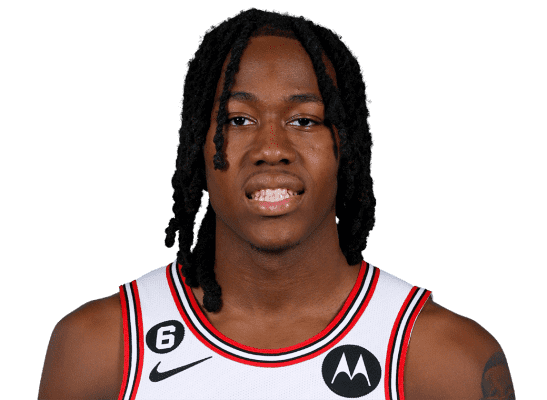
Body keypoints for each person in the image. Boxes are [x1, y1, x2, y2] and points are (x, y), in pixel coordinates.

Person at [38, 7, 515, 400]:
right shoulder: (101, 348)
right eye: (238, 119)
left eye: (305, 120)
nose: (271, 148)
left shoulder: (444, 360)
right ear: (196, 146)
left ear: (347, 149)